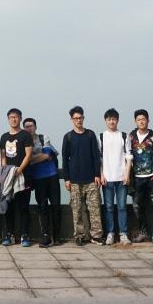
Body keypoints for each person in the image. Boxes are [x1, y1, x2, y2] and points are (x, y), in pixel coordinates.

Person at [62, 105, 103, 245]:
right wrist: (67, 179)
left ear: (83, 118)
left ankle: (96, 235)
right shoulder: (68, 137)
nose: (78, 120)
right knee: (77, 210)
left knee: (95, 209)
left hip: (91, 179)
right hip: (74, 180)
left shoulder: (90, 135)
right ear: (71, 120)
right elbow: (65, 159)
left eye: (80, 118)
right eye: (76, 118)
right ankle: (79, 235)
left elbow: (96, 156)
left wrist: (97, 175)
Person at [125, 109, 153, 245]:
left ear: (148, 120)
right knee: (137, 206)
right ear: (135, 121)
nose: (141, 122)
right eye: (139, 119)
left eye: (143, 119)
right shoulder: (131, 137)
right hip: (137, 178)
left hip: (152, 177)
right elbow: (127, 156)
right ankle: (143, 232)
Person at [23, 117, 61, 247]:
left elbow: (47, 155)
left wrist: (31, 158)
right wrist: (38, 157)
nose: (29, 128)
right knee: (42, 207)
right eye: (26, 126)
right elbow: (36, 158)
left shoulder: (44, 138)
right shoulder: (24, 141)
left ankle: (57, 236)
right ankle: (45, 235)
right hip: (37, 179)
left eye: (31, 126)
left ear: (35, 127)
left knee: (56, 206)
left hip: (52, 176)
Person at [0, 108, 33, 247]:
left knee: (23, 206)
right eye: (11, 117)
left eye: (16, 117)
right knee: (8, 207)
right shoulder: (4, 137)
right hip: (8, 178)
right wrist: (6, 171)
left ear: (20, 118)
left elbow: (28, 155)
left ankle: (25, 235)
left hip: (24, 176)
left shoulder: (25, 135)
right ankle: (10, 234)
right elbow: (3, 156)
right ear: (8, 119)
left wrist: (19, 170)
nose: (14, 119)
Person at [99, 108, 131, 245]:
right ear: (105, 121)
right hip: (107, 178)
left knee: (122, 207)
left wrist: (127, 175)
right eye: (109, 119)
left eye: (114, 119)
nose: (111, 121)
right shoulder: (101, 137)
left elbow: (129, 157)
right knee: (108, 207)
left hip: (121, 177)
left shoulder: (123, 136)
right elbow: (99, 159)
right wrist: (101, 175)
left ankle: (123, 233)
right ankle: (110, 233)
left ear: (117, 120)